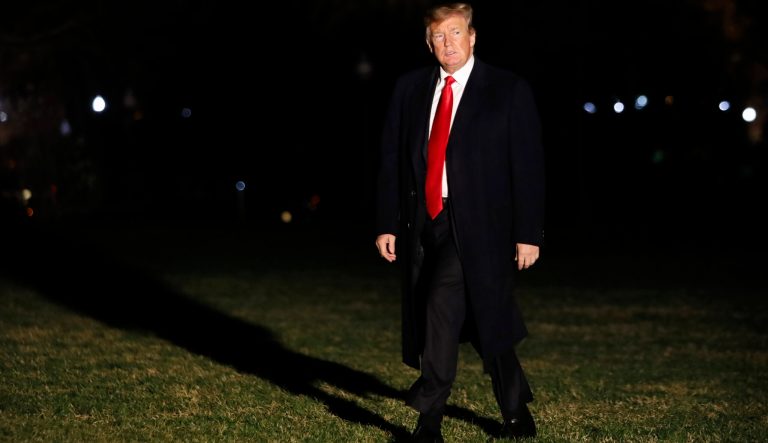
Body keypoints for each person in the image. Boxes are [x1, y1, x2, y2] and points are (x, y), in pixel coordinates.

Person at [374, 3, 545, 441]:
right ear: (428, 43)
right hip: (422, 222)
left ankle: (428, 418)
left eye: (455, 33)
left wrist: (528, 234)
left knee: (440, 308)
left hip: (481, 226)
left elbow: (527, 166)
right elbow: (392, 159)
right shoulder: (410, 88)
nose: (447, 43)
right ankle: (515, 412)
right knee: (488, 319)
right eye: (438, 36)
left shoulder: (507, 90)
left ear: (472, 36)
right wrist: (387, 222)